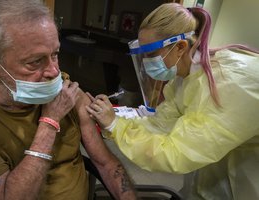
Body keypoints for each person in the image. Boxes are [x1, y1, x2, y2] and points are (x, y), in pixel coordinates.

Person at [0, 0, 137, 199]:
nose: (54, 71)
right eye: (35, 61)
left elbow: (106, 163)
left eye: (55, 54)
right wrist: (50, 121)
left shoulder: (67, 92)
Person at [86, 3, 259, 200]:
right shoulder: (184, 80)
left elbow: (175, 152)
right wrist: (114, 120)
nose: (146, 62)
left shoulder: (231, 85)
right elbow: (159, 124)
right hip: (213, 179)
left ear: (180, 47)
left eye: (151, 54)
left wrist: (115, 125)